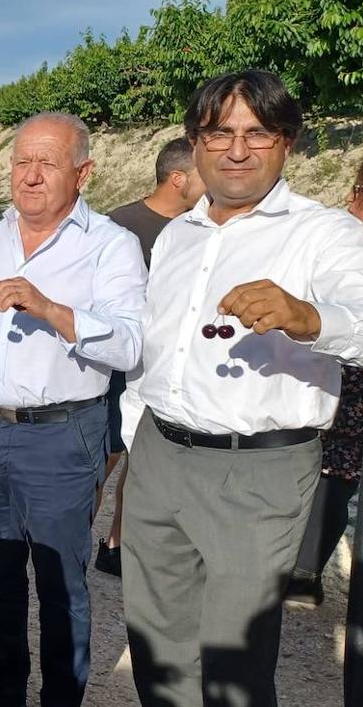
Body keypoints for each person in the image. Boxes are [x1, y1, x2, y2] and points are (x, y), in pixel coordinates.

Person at [118, 70, 363, 707]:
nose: (237, 149)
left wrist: (308, 318)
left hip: (258, 470)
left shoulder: (325, 234)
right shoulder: (178, 235)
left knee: (234, 664)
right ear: (196, 142)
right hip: (160, 456)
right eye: (219, 133)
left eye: (256, 133)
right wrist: (135, 439)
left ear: (286, 143)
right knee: (158, 653)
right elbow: (155, 351)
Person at [0, 111, 147, 706]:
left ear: (83, 172)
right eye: (21, 161)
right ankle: (3, 694)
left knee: (60, 586)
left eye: (46, 162)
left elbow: (130, 342)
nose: (29, 175)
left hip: (60, 436)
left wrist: (51, 309)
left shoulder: (109, 245)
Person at [94, 137, 205, 576]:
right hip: (116, 370)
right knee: (102, 463)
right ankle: (71, 541)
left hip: (165, 369)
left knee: (142, 463)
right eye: (202, 172)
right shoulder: (119, 226)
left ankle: (117, 545)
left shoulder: (200, 230)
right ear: (178, 178)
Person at [286, 150, 363, 606]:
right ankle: (307, 569)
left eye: (358, 191)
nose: (350, 201)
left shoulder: (356, 244)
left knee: (334, 457)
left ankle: (299, 567)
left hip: (354, 371)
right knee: (346, 463)